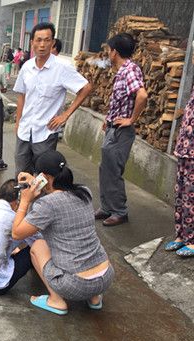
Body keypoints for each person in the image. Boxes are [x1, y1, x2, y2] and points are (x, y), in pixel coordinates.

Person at [11, 151, 113, 315]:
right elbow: (60, 200)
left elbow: (16, 233)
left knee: (37, 246)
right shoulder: (84, 191)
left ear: (45, 178)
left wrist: (25, 200)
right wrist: (37, 183)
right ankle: (94, 299)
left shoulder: (47, 205)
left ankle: (56, 301)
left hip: (75, 285)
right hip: (106, 276)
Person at [13, 22, 91, 175]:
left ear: (53, 42)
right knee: (21, 175)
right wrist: (18, 123)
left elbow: (85, 88)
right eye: (38, 40)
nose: (42, 45)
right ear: (32, 42)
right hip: (24, 131)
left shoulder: (62, 67)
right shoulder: (27, 67)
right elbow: (22, 95)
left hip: (46, 132)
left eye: (47, 40)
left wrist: (65, 115)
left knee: (44, 177)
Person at [95, 33, 148, 227]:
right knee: (106, 169)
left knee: (113, 171)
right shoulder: (122, 71)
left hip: (120, 132)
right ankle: (107, 207)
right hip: (113, 128)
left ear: (114, 52)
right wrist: (108, 119)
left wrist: (131, 120)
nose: (108, 53)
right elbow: (121, 101)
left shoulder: (130, 70)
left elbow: (142, 95)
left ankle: (119, 211)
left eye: (109, 50)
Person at [166, 46, 194, 257]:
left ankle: (192, 240)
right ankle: (181, 235)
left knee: (192, 198)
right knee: (181, 195)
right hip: (185, 149)